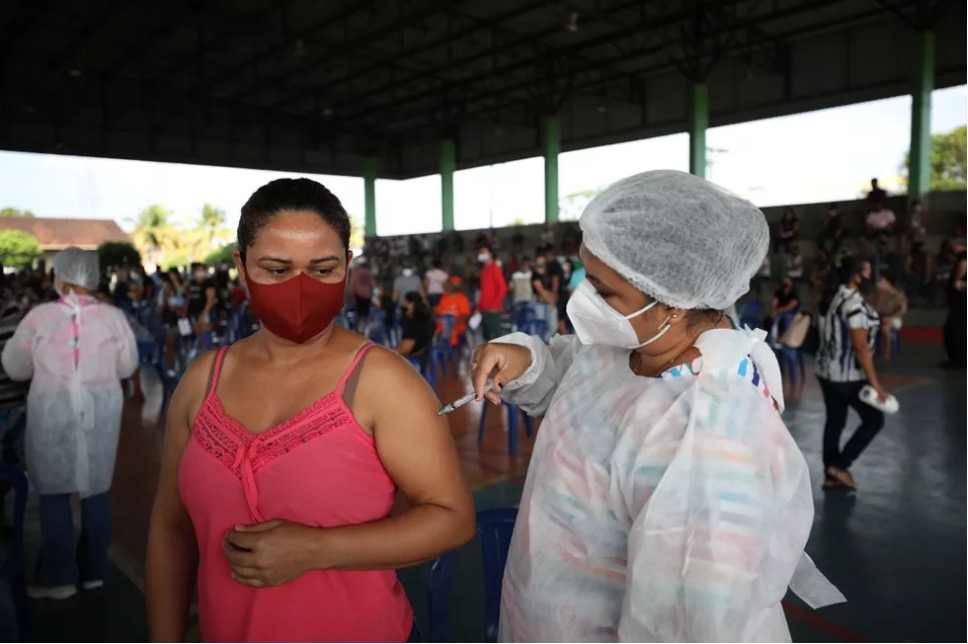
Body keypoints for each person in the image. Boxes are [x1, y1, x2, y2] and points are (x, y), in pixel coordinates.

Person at [470, 170, 842, 641]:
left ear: (675, 302)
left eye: (604, 291)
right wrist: (524, 359)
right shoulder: (628, 348)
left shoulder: (709, 432)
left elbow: (687, 621)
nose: (583, 300)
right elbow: (573, 380)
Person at [145, 178, 474, 643]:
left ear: (346, 267)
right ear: (241, 267)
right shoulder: (202, 382)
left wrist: (319, 548)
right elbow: (171, 526)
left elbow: (452, 518)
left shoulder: (383, 382)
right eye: (277, 270)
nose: (300, 288)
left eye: (322, 270)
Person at [1, 247, 139, 600]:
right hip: (101, 416)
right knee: (96, 490)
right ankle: (93, 572)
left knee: (55, 494)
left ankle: (57, 578)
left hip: (53, 415)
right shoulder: (114, 318)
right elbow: (127, 367)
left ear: (60, 277)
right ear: (91, 279)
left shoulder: (39, 317)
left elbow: (15, 367)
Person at [815, 257, 888, 490]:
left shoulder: (833, 296)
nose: (870, 275)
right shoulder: (853, 304)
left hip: (825, 371)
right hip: (846, 376)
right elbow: (860, 346)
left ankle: (830, 473)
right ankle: (840, 466)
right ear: (856, 275)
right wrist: (876, 384)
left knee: (835, 421)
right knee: (874, 419)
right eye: (867, 270)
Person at [870, 274, 907, 360]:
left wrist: (890, 317)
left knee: (885, 327)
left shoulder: (898, 294)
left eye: (881, 281)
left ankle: (887, 352)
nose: (879, 283)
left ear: (888, 282)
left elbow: (902, 310)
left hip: (894, 318)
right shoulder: (877, 294)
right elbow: (872, 306)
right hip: (880, 317)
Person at [476, 242, 507, 342]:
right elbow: (483, 289)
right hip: (484, 308)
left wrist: (495, 306)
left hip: (493, 309)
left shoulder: (495, 268)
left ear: (490, 254)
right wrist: (479, 306)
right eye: (480, 252)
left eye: (483, 252)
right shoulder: (484, 269)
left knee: (497, 338)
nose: (481, 254)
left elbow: (502, 288)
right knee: (487, 337)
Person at [944, 238, 966, 367]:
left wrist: (957, 280)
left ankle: (959, 359)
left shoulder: (964, 256)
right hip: (959, 301)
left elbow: (963, 265)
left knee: (958, 328)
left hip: (961, 301)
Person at [396, 291, 435, 358]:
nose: (404, 305)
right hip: (421, 353)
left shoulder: (414, 322)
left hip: (414, 355)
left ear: (414, 304)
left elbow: (406, 348)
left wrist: (388, 354)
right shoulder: (424, 318)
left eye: (407, 303)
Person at [436, 277, 472, 348]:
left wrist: (450, 323)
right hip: (441, 331)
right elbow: (438, 313)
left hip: (456, 332)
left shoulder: (462, 299)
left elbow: (465, 316)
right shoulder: (444, 297)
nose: (447, 286)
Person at [349, 257, 374, 333]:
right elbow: (372, 283)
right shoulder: (368, 271)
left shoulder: (356, 271)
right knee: (365, 314)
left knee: (358, 314)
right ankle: (365, 329)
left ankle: (357, 330)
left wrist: (352, 294)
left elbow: (353, 283)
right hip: (367, 295)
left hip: (358, 295)